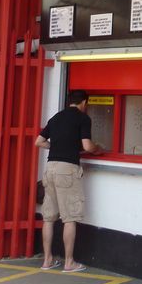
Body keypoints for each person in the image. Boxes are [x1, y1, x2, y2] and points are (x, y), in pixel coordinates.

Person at [35, 90, 102, 273]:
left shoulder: (56, 117)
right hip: (67, 170)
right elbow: (87, 146)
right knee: (70, 217)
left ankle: (47, 260)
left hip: (51, 168)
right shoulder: (83, 118)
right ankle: (69, 262)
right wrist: (97, 150)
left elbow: (39, 142)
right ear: (84, 103)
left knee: (48, 217)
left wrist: (56, 146)